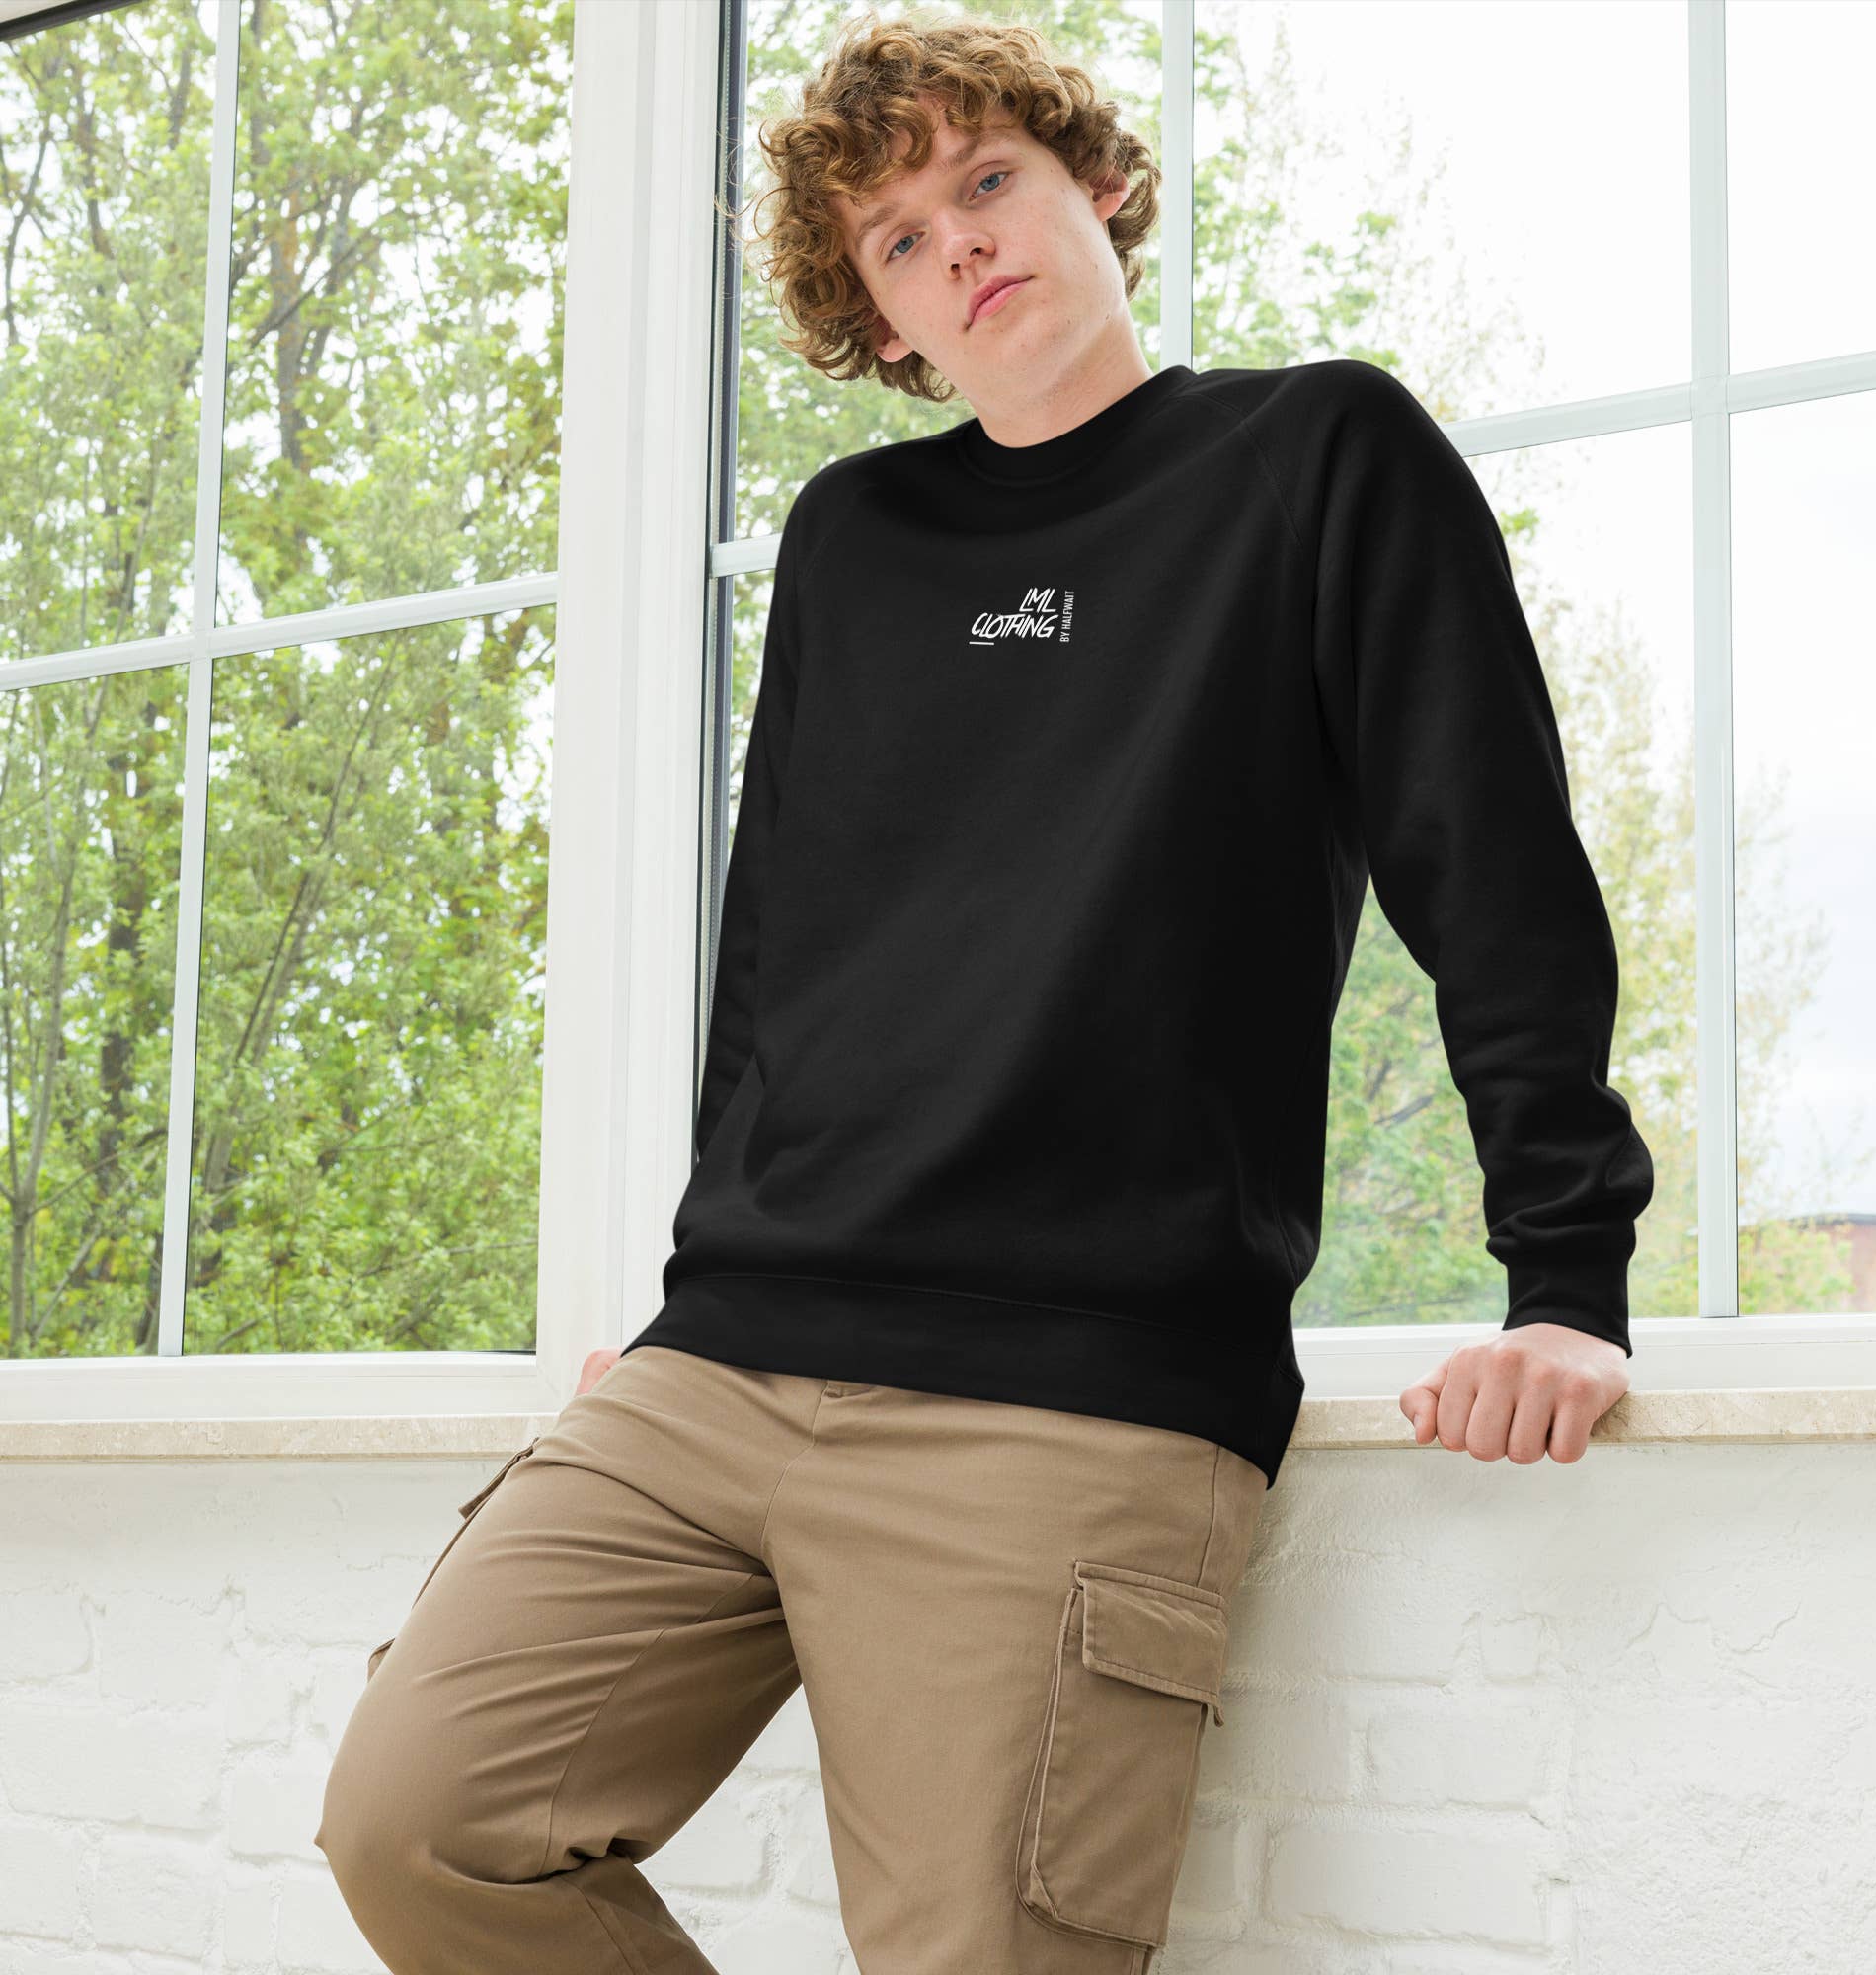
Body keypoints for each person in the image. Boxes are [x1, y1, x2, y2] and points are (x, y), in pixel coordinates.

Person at [314, 10, 1654, 1970]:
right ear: (877, 320)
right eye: (897, 238)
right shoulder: (852, 541)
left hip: (1075, 1394)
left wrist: (1567, 1284)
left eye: (987, 181)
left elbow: (1498, 869)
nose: (958, 244)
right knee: (420, 1826)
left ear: (1094, 183)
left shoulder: (1316, 456)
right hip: (727, 1363)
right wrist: (696, 1287)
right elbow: (776, 964)